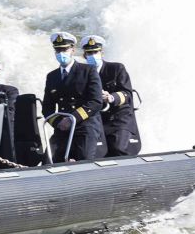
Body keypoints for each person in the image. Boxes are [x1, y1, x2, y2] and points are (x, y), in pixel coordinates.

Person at [42, 32, 104, 162]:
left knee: (84, 161)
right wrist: (59, 123)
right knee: (48, 161)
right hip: (62, 129)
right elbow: (47, 107)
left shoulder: (88, 71)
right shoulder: (52, 76)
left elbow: (96, 101)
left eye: (64, 49)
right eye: (58, 50)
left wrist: (72, 119)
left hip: (85, 127)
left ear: (72, 50)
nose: (61, 53)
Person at [81, 34, 142, 156]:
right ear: (84, 55)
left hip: (119, 120)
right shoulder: (81, 74)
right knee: (90, 153)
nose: (92, 56)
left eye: (95, 52)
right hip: (96, 122)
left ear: (101, 53)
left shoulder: (116, 69)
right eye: (89, 53)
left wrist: (111, 97)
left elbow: (127, 94)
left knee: (117, 147)